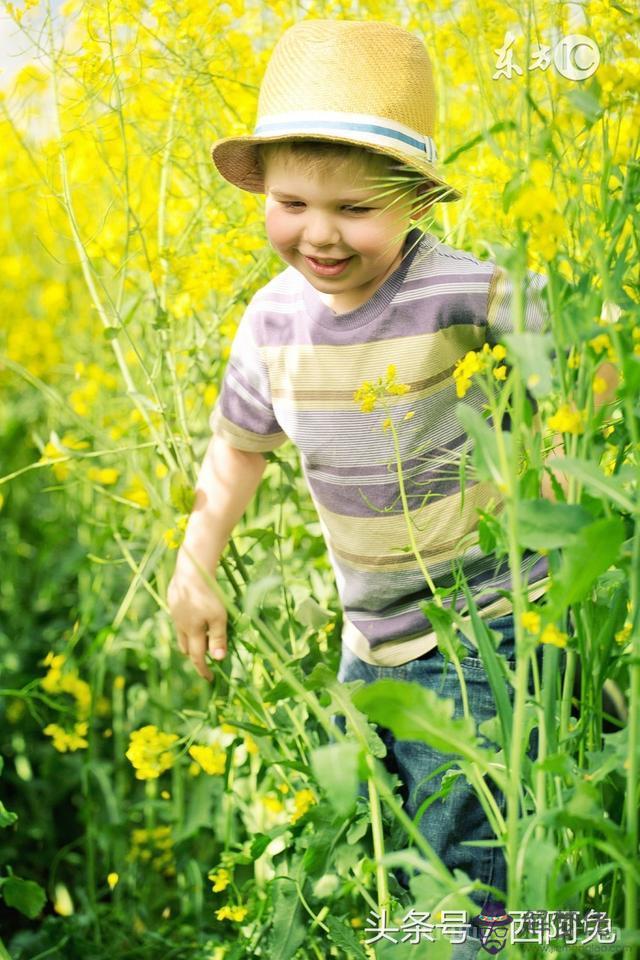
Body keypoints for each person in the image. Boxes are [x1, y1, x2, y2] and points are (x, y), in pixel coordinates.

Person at [167, 19, 553, 959]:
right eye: (293, 203)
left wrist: (546, 435)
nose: (320, 234)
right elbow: (239, 450)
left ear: (417, 199)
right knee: (393, 842)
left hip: (486, 629)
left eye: (355, 209)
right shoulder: (269, 320)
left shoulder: (464, 291)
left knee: (474, 861)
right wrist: (194, 567)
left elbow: (582, 353)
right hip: (368, 635)